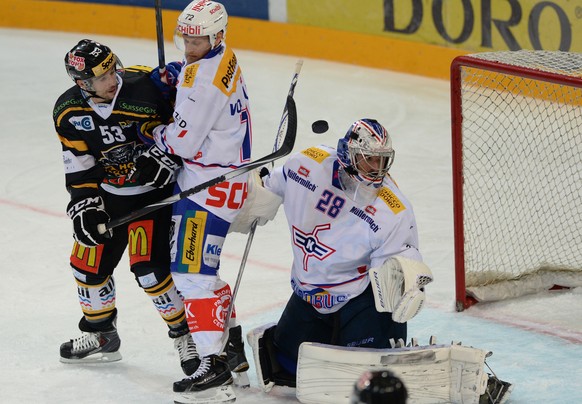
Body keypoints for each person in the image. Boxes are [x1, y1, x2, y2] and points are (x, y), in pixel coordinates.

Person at [247, 118, 433, 387]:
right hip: (307, 292)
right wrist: (251, 197)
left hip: (358, 297)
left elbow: (400, 266)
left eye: (382, 161)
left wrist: (408, 286)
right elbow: (266, 189)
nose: (376, 169)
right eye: (368, 159)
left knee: (367, 380)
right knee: (285, 367)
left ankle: (382, 350)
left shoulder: (393, 210)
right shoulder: (307, 165)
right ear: (348, 153)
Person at [54, 39, 199, 377]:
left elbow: (186, 130)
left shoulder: (146, 88)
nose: (113, 78)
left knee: (149, 269)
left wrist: (167, 153)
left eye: (112, 67)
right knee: (86, 266)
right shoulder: (69, 112)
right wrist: (84, 205)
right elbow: (78, 165)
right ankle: (102, 335)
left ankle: (185, 336)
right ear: (83, 84)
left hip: (152, 197)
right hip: (109, 198)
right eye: (104, 76)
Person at [129, 1, 251, 402]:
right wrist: (182, 76)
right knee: (202, 275)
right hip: (225, 178)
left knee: (190, 277)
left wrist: (154, 132)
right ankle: (231, 350)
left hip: (206, 187)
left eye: (197, 40)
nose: (189, 46)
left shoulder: (201, 82)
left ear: (216, 36)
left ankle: (212, 366)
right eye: (186, 38)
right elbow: (201, 85)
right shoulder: (224, 58)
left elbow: (181, 142)